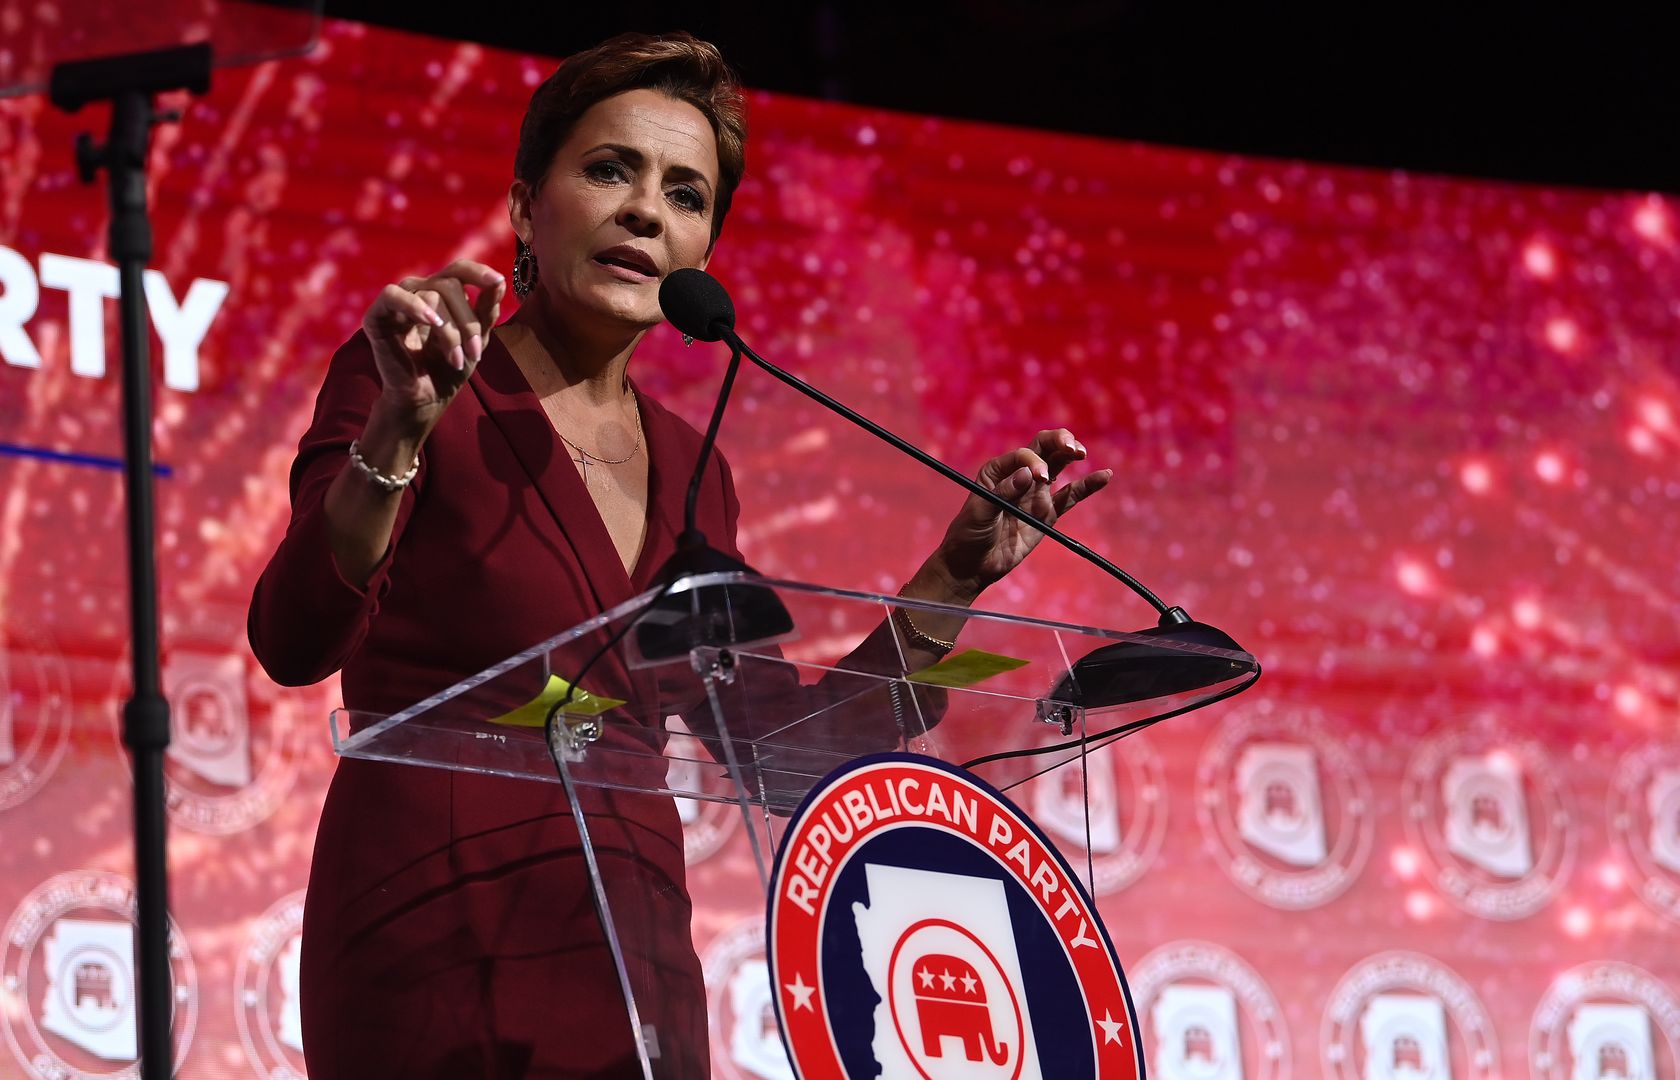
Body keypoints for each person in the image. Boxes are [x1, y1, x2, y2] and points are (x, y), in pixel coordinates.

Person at [247, 30, 1112, 1079]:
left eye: (687, 193)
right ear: (526, 207)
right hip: (430, 926)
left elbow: (780, 758)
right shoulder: (419, 381)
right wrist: (397, 429)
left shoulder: (691, 465)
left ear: (701, 249)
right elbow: (296, 640)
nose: (647, 210)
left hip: (630, 958)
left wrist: (954, 576)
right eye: (611, 169)